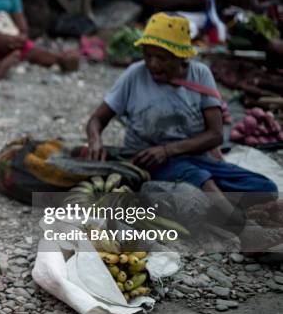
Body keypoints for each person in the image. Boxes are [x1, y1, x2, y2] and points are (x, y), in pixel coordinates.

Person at [85, 13, 279, 248]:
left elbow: (216, 134)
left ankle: (219, 212)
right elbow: (97, 119)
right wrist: (95, 141)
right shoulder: (134, 75)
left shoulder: (200, 74)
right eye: (148, 56)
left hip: (193, 155)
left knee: (265, 188)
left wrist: (168, 149)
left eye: (162, 58)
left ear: (181, 57)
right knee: (201, 181)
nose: (153, 64)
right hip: (147, 160)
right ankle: (245, 233)